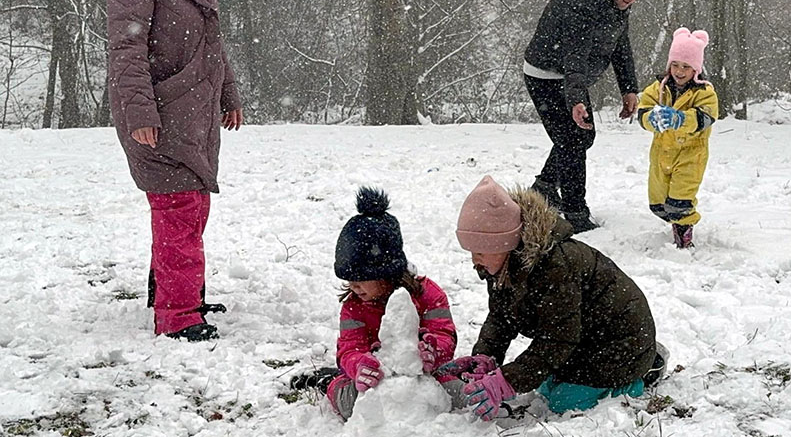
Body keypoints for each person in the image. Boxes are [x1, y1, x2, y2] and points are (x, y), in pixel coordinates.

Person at [106, 0, 243, 342]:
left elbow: (211, 39)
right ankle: (178, 315)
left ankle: (174, 291)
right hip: (160, 113)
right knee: (178, 209)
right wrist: (141, 112)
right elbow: (127, 49)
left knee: (190, 207)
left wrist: (229, 93)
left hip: (194, 111)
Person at [440, 176, 666, 420]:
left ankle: (646, 369)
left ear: (504, 243)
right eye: (472, 251)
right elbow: (501, 317)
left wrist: (507, 381)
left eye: (481, 251)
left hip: (619, 343)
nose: (475, 259)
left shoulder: (556, 267)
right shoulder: (504, 264)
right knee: (545, 386)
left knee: (563, 402)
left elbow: (557, 340)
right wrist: (486, 356)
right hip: (583, 340)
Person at [289, 187, 462, 421]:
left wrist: (433, 352)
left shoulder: (428, 294)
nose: (354, 287)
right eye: (349, 281)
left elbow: (444, 334)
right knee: (349, 401)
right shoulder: (354, 307)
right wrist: (360, 365)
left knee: (454, 394)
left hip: (424, 377)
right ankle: (327, 381)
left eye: (360, 280)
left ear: (386, 274)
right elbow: (349, 348)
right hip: (376, 381)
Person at [523, 0, 651, 233]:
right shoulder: (584, 0)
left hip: (570, 77)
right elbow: (575, 54)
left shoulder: (617, 1)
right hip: (545, 73)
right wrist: (577, 99)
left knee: (582, 136)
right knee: (573, 141)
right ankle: (574, 213)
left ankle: (544, 187)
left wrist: (628, 88)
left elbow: (621, 43)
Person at [637, 28, 719, 249]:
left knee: (680, 202)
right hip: (661, 155)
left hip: (691, 156)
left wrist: (680, 119)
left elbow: (707, 116)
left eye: (686, 66)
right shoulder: (658, 88)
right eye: (675, 65)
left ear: (696, 68)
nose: (679, 71)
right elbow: (643, 109)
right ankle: (674, 221)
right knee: (658, 204)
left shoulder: (705, 92)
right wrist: (650, 118)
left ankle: (684, 237)